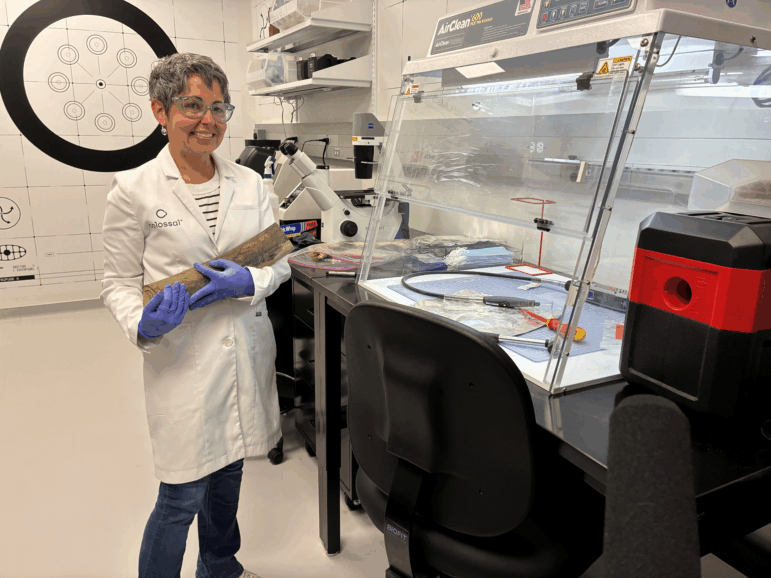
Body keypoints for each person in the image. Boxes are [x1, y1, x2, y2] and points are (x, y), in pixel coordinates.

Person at [100, 52, 290, 578]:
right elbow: (116, 282)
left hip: (244, 348)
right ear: (161, 111)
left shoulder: (250, 185)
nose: (209, 120)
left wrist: (249, 281)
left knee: (229, 475)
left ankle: (220, 567)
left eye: (219, 108)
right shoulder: (133, 191)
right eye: (193, 105)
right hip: (183, 359)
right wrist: (143, 324)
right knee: (182, 492)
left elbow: (278, 264)